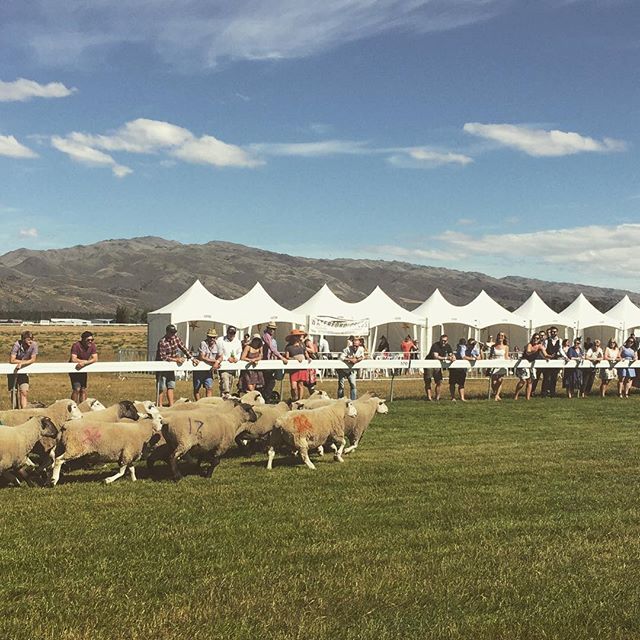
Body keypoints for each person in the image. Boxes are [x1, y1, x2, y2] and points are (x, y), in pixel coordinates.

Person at [156, 323, 196, 407]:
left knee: (171, 385)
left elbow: (184, 348)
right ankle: (159, 405)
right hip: (162, 366)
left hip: (171, 366)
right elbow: (163, 357)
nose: (173, 334)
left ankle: (171, 405)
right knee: (161, 386)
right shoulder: (162, 342)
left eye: (174, 332)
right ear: (167, 332)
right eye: (171, 332)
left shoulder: (176, 339)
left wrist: (192, 358)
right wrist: (176, 359)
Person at [8, 330, 38, 409]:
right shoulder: (16, 345)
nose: (30, 341)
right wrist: (24, 362)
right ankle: (15, 410)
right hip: (14, 370)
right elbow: (12, 360)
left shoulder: (34, 345)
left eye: (31, 339)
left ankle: (24, 411)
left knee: (24, 391)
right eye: (28, 339)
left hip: (24, 370)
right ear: (23, 339)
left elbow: (33, 359)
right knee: (13, 391)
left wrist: (22, 363)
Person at [514, 333, 548, 401]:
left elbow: (545, 354)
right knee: (523, 381)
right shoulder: (529, 345)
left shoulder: (540, 346)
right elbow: (528, 352)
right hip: (524, 363)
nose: (536, 339)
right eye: (534, 338)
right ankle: (516, 395)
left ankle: (527, 398)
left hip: (531, 364)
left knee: (530, 381)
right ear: (532, 338)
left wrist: (549, 356)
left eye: (537, 338)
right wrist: (536, 349)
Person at [262, 322, 288, 403]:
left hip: (270, 362)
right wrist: (281, 357)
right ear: (268, 328)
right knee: (270, 381)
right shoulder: (266, 336)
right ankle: (266, 397)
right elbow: (272, 349)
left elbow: (273, 350)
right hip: (266, 362)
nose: (272, 330)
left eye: (274, 329)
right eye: (271, 329)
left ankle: (266, 397)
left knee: (270, 381)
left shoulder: (272, 339)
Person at [69, 331, 98, 404]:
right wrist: (82, 362)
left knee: (83, 389)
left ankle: (83, 407)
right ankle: (73, 406)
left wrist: (85, 363)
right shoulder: (76, 345)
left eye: (92, 340)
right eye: (88, 340)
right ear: (83, 339)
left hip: (84, 367)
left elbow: (95, 358)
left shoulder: (92, 346)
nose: (90, 341)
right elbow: (73, 359)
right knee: (76, 389)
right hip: (75, 368)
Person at [424, 334, 454, 401]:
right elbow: (435, 356)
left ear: (447, 341)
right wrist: (447, 358)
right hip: (429, 364)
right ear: (440, 340)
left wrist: (453, 357)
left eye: (445, 341)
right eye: (442, 340)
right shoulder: (435, 345)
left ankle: (437, 398)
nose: (443, 342)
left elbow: (451, 354)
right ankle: (429, 398)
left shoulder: (448, 346)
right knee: (428, 381)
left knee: (439, 381)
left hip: (438, 365)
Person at [194, 328, 221, 400]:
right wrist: (214, 361)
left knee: (209, 387)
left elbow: (221, 356)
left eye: (214, 337)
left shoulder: (218, 344)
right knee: (197, 388)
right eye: (210, 337)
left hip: (209, 370)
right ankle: (198, 404)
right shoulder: (203, 343)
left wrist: (217, 362)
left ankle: (207, 404)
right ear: (207, 337)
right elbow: (202, 357)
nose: (212, 339)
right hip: (199, 369)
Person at [284, 328, 310, 401]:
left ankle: (300, 400)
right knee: (293, 387)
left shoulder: (302, 345)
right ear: (292, 337)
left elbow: (306, 353)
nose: (298, 337)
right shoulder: (288, 347)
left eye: (299, 336)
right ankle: (294, 398)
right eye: (296, 336)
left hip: (302, 367)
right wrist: (294, 359)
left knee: (300, 385)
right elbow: (287, 357)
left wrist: (308, 358)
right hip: (294, 369)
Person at [216, 326, 243, 396]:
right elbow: (219, 353)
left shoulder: (237, 341)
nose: (231, 334)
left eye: (233, 333)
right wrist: (227, 358)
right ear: (227, 332)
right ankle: (225, 397)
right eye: (230, 332)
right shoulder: (220, 340)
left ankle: (225, 402)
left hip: (232, 368)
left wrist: (236, 358)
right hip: (224, 367)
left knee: (230, 386)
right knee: (225, 385)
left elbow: (239, 352)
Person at [449, 337, 476, 402]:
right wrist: (472, 359)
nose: (472, 345)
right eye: (471, 344)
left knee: (461, 383)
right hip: (455, 367)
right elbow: (463, 356)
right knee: (452, 383)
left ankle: (462, 398)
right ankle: (453, 398)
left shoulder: (472, 349)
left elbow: (478, 356)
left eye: (473, 344)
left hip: (463, 368)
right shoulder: (462, 347)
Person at [337, 336, 365, 400]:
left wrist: (357, 360)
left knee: (353, 385)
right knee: (341, 386)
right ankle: (340, 401)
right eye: (354, 345)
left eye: (356, 346)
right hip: (342, 370)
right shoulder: (347, 349)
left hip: (351, 370)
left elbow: (362, 356)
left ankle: (353, 400)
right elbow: (341, 357)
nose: (355, 347)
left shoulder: (361, 349)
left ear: (359, 344)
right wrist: (350, 359)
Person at [542, 326, 562, 397]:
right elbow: (543, 349)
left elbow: (560, 350)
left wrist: (565, 357)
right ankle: (544, 393)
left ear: (557, 332)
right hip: (548, 360)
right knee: (546, 377)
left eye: (555, 331)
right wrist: (546, 356)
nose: (553, 333)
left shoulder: (559, 340)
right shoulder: (547, 340)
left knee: (554, 377)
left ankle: (552, 393)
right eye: (552, 331)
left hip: (555, 361)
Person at [489, 332, 508, 401]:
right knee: (494, 382)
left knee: (500, 380)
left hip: (502, 364)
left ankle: (497, 395)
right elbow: (490, 356)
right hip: (494, 364)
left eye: (502, 336)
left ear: (504, 337)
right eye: (500, 335)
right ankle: (495, 393)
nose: (501, 337)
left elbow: (506, 356)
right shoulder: (493, 346)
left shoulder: (506, 347)